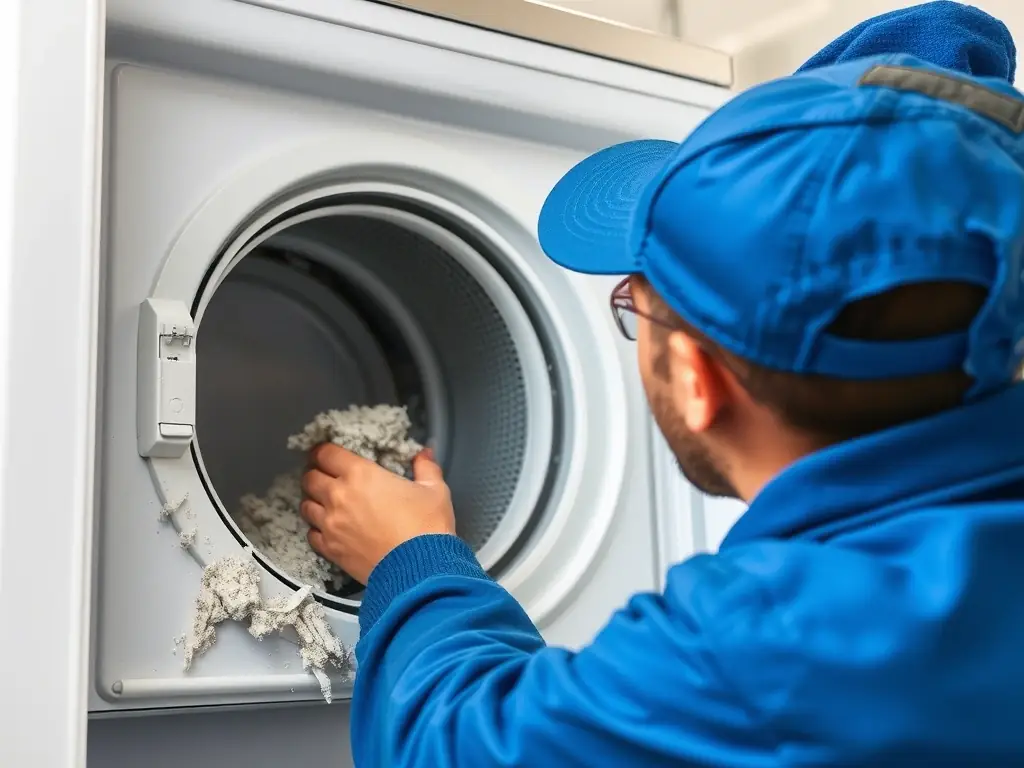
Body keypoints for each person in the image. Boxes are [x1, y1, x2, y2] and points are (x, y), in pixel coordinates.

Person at [299, 2, 1024, 765]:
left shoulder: (769, 648)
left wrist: (410, 557)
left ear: (696, 376)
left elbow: (450, 746)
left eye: (636, 305)